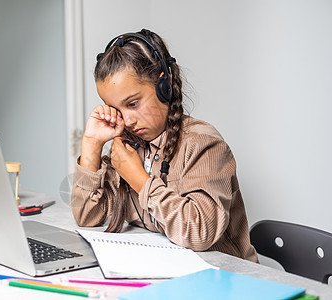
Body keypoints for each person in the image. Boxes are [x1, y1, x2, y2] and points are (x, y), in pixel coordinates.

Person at [71, 29, 258, 262]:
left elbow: (200, 234)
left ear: (164, 86)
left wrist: (139, 179)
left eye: (133, 103)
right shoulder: (129, 147)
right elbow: (87, 217)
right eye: (117, 110)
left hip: (224, 278)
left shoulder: (203, 144)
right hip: (164, 272)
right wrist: (91, 145)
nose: (127, 121)